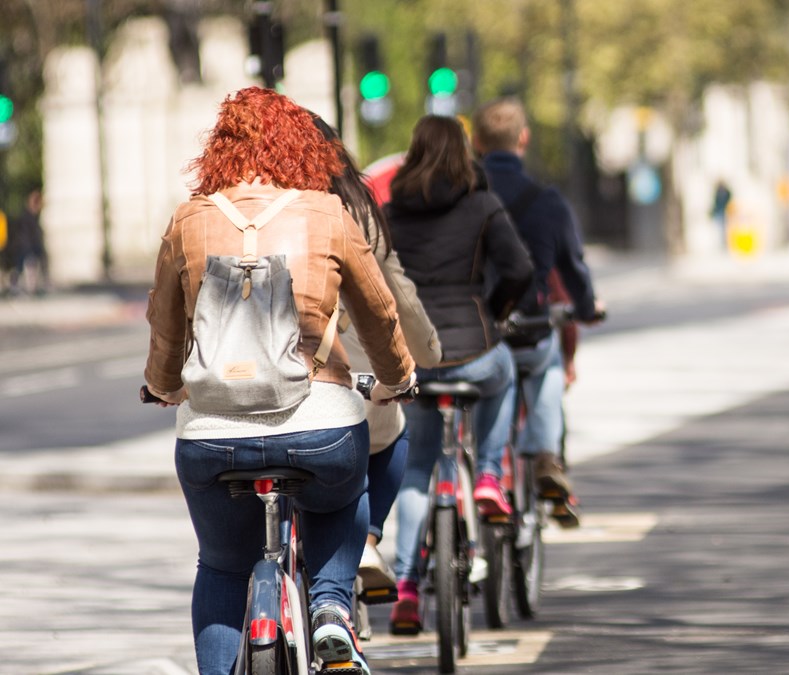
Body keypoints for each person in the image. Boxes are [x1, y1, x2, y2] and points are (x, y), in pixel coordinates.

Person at [143, 87, 416, 675]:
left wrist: (164, 386)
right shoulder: (328, 214)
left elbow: (164, 329)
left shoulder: (188, 220)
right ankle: (330, 611)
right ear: (301, 150)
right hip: (318, 424)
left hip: (210, 435)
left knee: (221, 564)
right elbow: (379, 314)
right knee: (345, 495)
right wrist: (398, 377)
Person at [385, 114, 533, 633]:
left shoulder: (390, 213)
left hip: (418, 359)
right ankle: (490, 474)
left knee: (418, 466)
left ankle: (405, 587)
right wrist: (492, 310)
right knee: (505, 372)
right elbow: (518, 270)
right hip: (474, 349)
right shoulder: (483, 205)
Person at [309, 113, 444, 596]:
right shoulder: (354, 207)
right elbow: (393, 294)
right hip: (344, 373)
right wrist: (420, 359)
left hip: (248, 383)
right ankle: (365, 539)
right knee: (389, 441)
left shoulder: (236, 209)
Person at [472, 97, 602, 521]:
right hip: (528, 327)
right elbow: (572, 267)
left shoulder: (465, 196)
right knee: (546, 362)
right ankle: (546, 455)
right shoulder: (546, 200)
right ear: (523, 139)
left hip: (473, 333)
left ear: (476, 142)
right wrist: (585, 307)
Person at [6, 188, 48, 295]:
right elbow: (26, 235)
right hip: (26, 248)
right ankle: (19, 288)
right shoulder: (27, 217)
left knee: (26, 270)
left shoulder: (32, 217)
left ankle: (28, 289)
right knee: (24, 269)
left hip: (28, 248)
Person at [711, 179, 732, 252]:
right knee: (720, 228)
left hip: (726, 212)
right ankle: (722, 243)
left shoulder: (727, 192)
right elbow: (715, 203)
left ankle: (726, 243)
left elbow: (729, 201)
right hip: (719, 212)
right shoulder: (717, 192)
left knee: (725, 228)